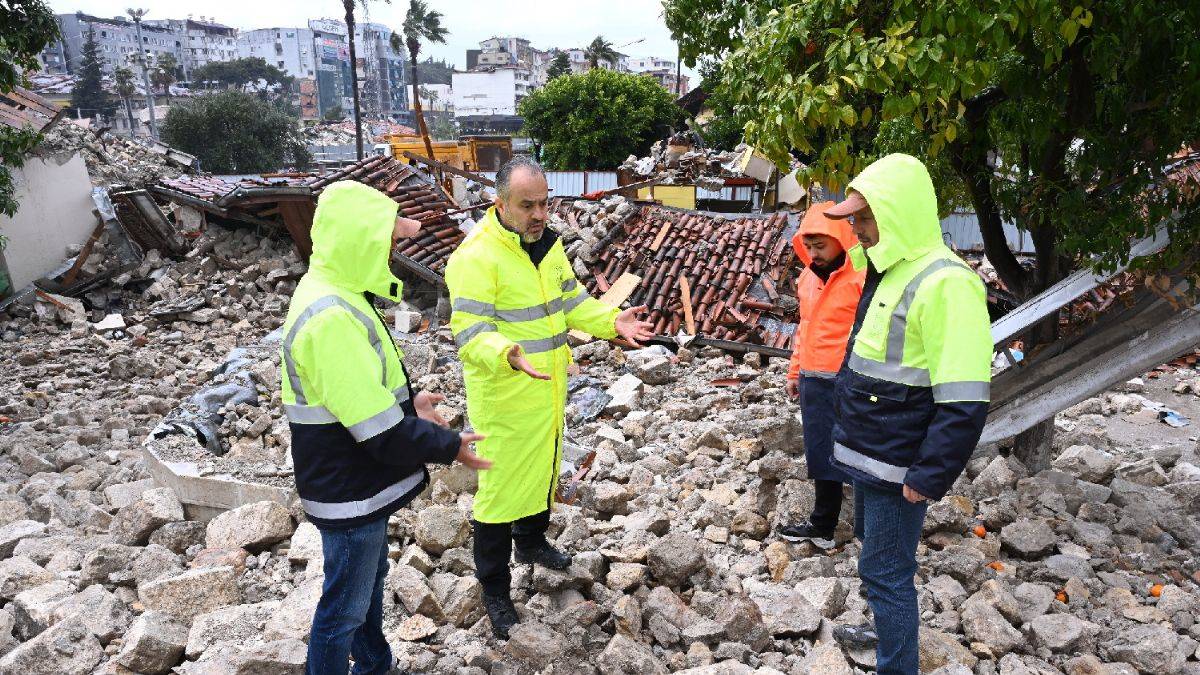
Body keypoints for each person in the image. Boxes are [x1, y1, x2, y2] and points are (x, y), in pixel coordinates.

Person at [279, 180, 492, 675]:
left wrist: (408, 401)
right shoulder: (330, 316)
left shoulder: (337, 292)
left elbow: (357, 394)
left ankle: (375, 666)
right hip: (349, 491)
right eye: (387, 241)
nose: (393, 252)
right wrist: (449, 445)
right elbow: (378, 431)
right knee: (343, 612)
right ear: (358, 240)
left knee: (365, 592)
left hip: (354, 487)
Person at [445, 156, 654, 639]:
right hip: (505, 397)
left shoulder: (546, 246)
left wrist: (611, 321)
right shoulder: (476, 256)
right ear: (500, 204)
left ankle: (532, 542)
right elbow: (469, 332)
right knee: (496, 497)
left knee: (544, 468)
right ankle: (494, 590)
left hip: (548, 389)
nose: (540, 214)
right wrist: (507, 352)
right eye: (528, 206)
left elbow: (572, 301)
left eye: (544, 203)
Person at [824, 154, 992, 674]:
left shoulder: (947, 283)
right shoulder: (891, 271)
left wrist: (930, 473)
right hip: (874, 457)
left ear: (898, 214)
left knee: (885, 572)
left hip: (900, 468)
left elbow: (964, 399)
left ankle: (897, 667)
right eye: (853, 219)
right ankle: (885, 637)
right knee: (875, 563)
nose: (857, 230)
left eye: (864, 218)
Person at [779, 202, 865, 548]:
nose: (813, 254)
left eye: (821, 246)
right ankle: (823, 524)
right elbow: (806, 327)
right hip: (814, 378)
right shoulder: (806, 279)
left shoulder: (862, 277)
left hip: (853, 378)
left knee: (861, 455)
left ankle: (867, 534)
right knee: (820, 452)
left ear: (841, 239)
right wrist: (795, 370)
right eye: (809, 247)